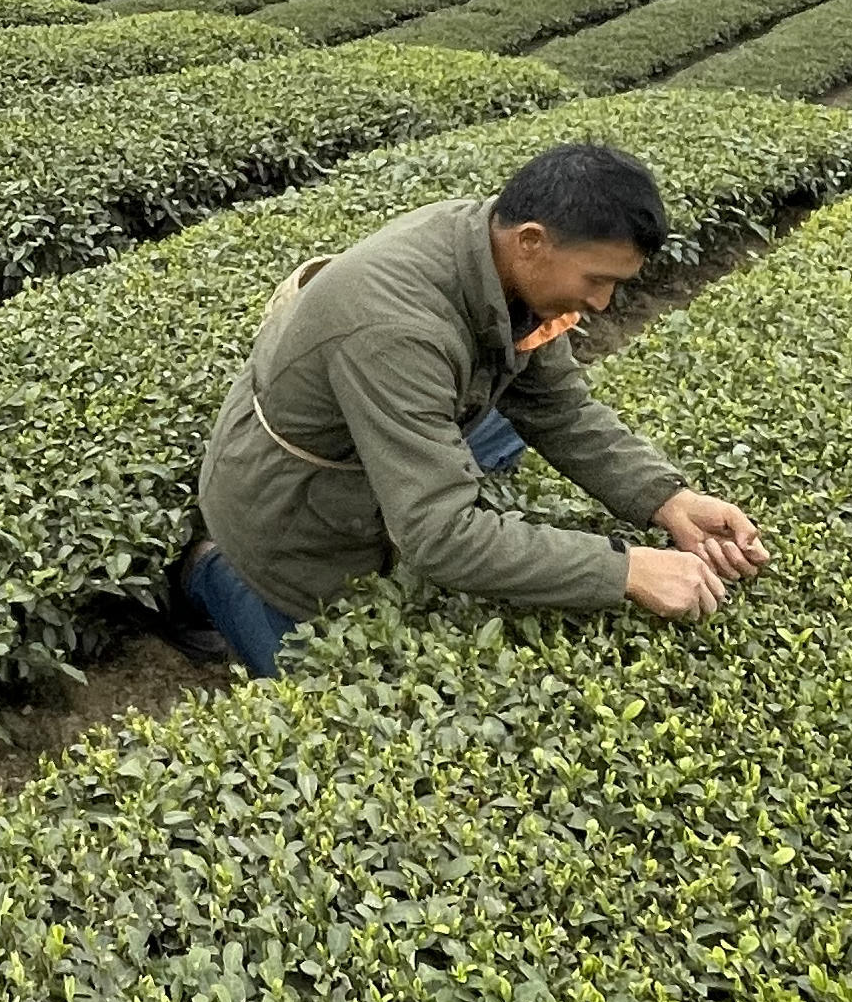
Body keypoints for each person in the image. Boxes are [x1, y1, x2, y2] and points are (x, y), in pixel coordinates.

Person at [176, 139, 768, 677]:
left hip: (375, 435)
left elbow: (559, 408)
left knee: (503, 438)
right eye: (596, 279)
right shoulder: (395, 329)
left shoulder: (499, 255)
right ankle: (207, 574)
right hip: (289, 506)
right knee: (324, 681)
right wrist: (624, 570)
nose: (603, 302)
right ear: (532, 241)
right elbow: (440, 536)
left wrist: (668, 499)